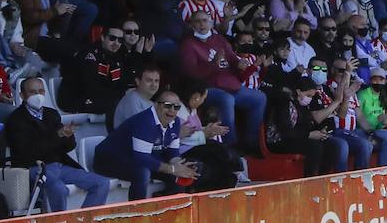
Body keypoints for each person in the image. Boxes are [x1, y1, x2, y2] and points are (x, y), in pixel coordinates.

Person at [5, 77, 111, 213]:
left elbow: (68, 147)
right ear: (22, 95)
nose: (38, 95)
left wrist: (68, 135)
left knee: (101, 183)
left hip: (59, 166)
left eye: (41, 91)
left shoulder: (51, 114)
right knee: (59, 189)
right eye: (32, 92)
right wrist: (58, 135)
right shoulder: (16, 119)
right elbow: (28, 153)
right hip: (34, 168)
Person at [175, 10, 267, 153]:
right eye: (198, 21)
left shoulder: (219, 39)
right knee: (226, 99)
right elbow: (191, 74)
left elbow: (232, 59)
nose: (202, 24)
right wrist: (213, 63)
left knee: (259, 98)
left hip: (231, 85)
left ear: (211, 22)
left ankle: (252, 143)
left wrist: (240, 64)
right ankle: (230, 146)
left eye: (205, 20)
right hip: (207, 88)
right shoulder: (188, 45)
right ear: (191, 24)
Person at [93, 88, 196, 199]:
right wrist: (173, 169)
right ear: (156, 105)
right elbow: (142, 159)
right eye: (167, 105)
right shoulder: (145, 121)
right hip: (109, 160)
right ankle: (138, 212)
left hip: (137, 158)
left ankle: (169, 208)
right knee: (142, 173)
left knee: (190, 167)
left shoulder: (174, 121)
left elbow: (172, 152)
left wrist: (178, 165)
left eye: (176, 107)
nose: (172, 110)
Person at [266, 76, 349, 177]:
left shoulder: (302, 106)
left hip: (295, 138)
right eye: (308, 95)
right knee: (315, 146)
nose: (309, 99)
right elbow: (286, 131)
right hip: (279, 141)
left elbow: (305, 126)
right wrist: (309, 134)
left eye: (312, 97)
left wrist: (319, 132)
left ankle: (323, 177)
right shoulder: (283, 104)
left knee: (332, 146)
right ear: (298, 91)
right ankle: (310, 179)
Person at [113, 63, 162, 129]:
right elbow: (141, 129)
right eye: (149, 80)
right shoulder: (132, 100)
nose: (154, 85)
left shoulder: (150, 103)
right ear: (138, 81)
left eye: (156, 81)